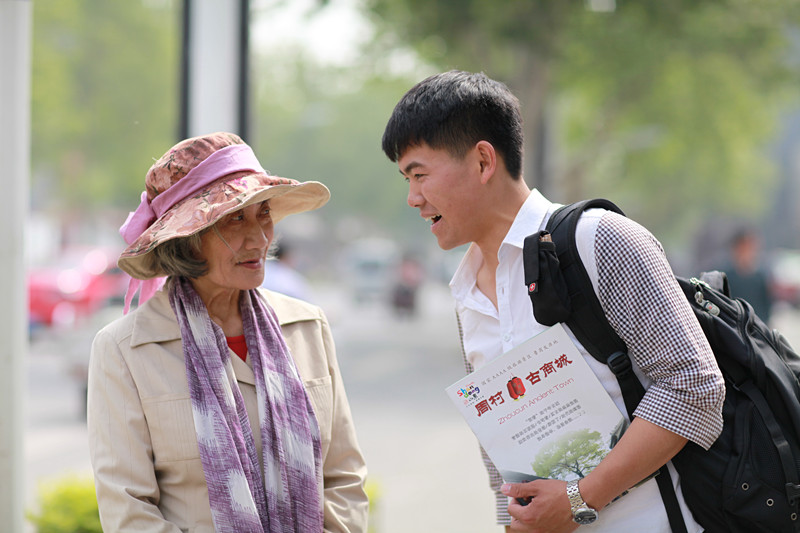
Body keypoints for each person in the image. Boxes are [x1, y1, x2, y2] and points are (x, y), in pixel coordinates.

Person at [381, 71, 725, 532]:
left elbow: (695, 387)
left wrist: (580, 499)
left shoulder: (600, 240)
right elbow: (505, 462)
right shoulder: (466, 296)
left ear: (483, 161)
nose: (412, 198)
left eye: (419, 175)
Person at [87, 132, 369, 532]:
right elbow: (128, 510)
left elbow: (344, 476)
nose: (259, 238)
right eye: (235, 218)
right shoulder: (125, 350)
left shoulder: (307, 327)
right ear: (187, 239)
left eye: (264, 214)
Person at [723, 227, 773, 323]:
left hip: (756, 328)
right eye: (744, 247)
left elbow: (766, 308)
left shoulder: (760, 277)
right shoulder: (726, 277)